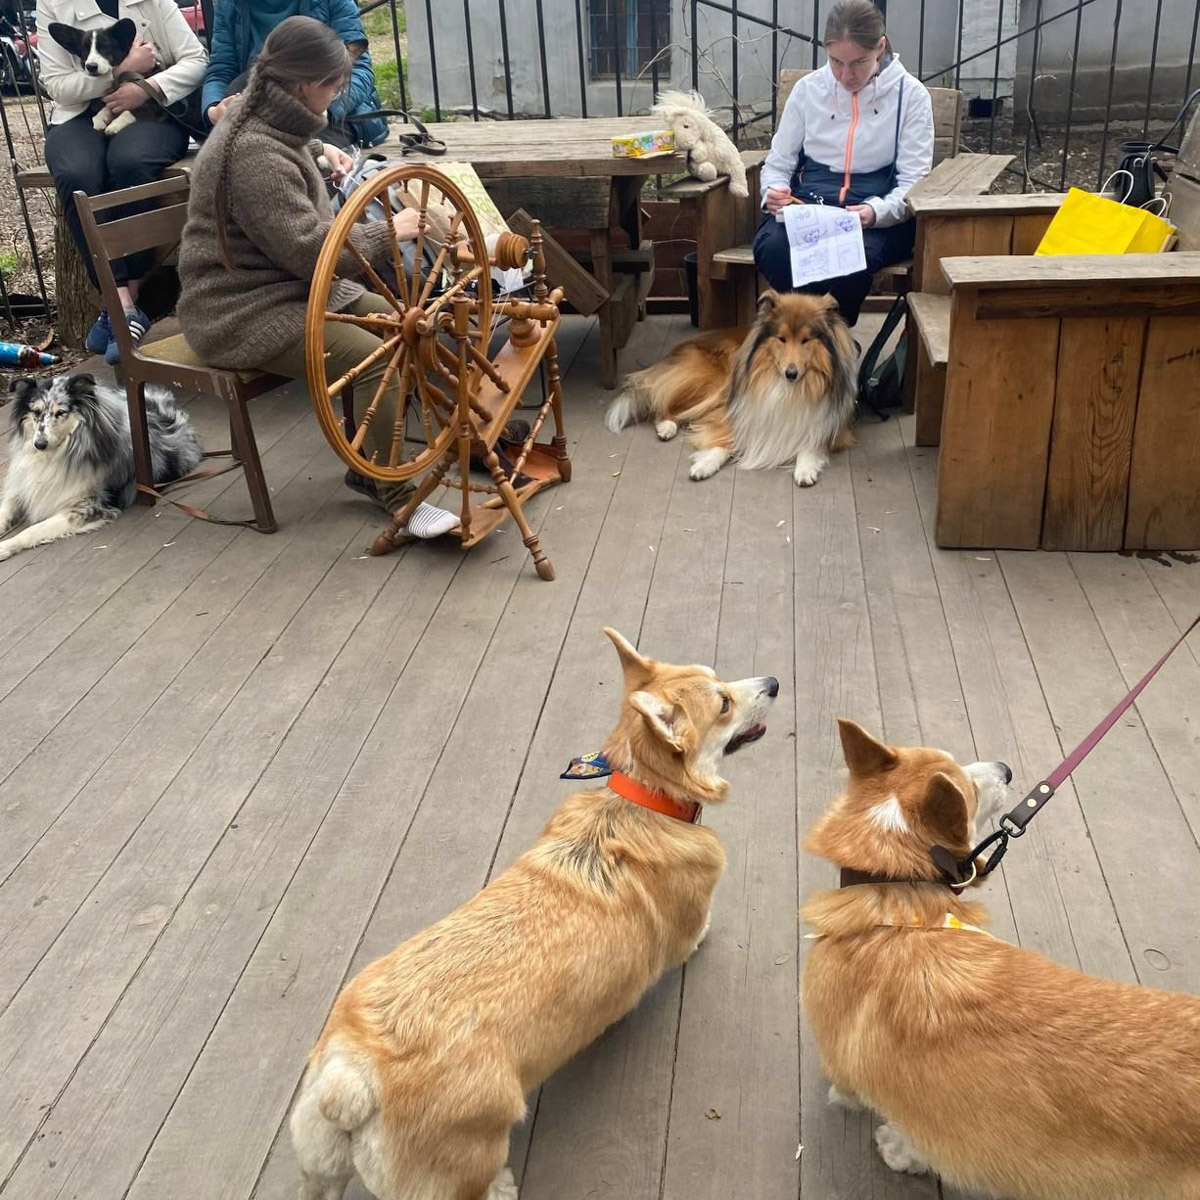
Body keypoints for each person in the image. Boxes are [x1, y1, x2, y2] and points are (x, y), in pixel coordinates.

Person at [177, 15, 459, 538]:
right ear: (304, 84)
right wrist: (388, 230)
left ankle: (376, 458)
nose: (340, 91)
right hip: (240, 311)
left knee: (407, 325)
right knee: (377, 356)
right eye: (334, 83)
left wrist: (318, 149)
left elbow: (283, 148)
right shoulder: (253, 153)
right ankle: (389, 488)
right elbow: (310, 252)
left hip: (289, 290)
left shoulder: (262, 119)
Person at [38, 0, 207, 364]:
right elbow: (55, 84)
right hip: (78, 114)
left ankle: (125, 302)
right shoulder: (52, 3)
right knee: (76, 174)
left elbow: (196, 59)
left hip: (148, 108)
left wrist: (148, 86)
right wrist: (120, 70)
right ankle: (124, 306)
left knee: (131, 162)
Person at [754, 0, 933, 326]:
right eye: (836, 61)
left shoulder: (912, 96)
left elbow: (914, 182)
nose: (845, 75)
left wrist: (875, 212)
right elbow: (779, 162)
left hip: (876, 211)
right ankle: (823, 343)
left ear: (880, 47)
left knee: (850, 257)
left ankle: (818, 342)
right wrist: (774, 191)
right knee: (774, 249)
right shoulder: (808, 90)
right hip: (810, 204)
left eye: (858, 62)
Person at [201, 0, 387, 148]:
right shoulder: (228, 4)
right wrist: (214, 109)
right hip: (263, 110)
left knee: (302, 154)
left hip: (332, 111)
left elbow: (359, 70)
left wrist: (326, 110)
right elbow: (221, 69)